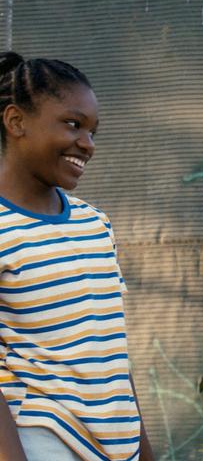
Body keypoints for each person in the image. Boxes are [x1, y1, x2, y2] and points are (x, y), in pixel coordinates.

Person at [0, 52, 153, 461]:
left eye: (93, 131)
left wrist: (144, 448)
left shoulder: (95, 223)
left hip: (118, 447)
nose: (87, 144)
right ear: (16, 122)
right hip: (42, 439)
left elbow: (108, 350)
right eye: (73, 124)